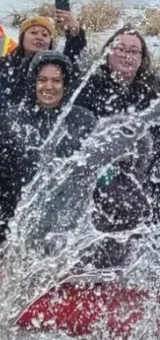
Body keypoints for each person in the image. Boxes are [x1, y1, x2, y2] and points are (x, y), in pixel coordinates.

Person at [74, 27, 160, 268]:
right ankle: (104, 269)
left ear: (142, 59)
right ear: (108, 52)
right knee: (123, 200)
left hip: (144, 173)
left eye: (134, 51)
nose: (127, 55)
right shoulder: (89, 88)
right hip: (99, 174)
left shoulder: (150, 94)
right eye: (121, 48)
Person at [0, 51, 97, 242]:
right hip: (19, 220)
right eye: (42, 79)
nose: (49, 86)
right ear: (33, 82)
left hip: (68, 222)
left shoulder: (84, 120)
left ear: (65, 85)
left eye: (56, 81)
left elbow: (94, 171)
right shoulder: (11, 120)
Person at [0, 13, 87, 107]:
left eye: (45, 35)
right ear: (22, 38)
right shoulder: (3, 65)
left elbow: (72, 57)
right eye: (33, 33)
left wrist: (75, 33)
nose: (39, 37)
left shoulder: (57, 66)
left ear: (50, 43)